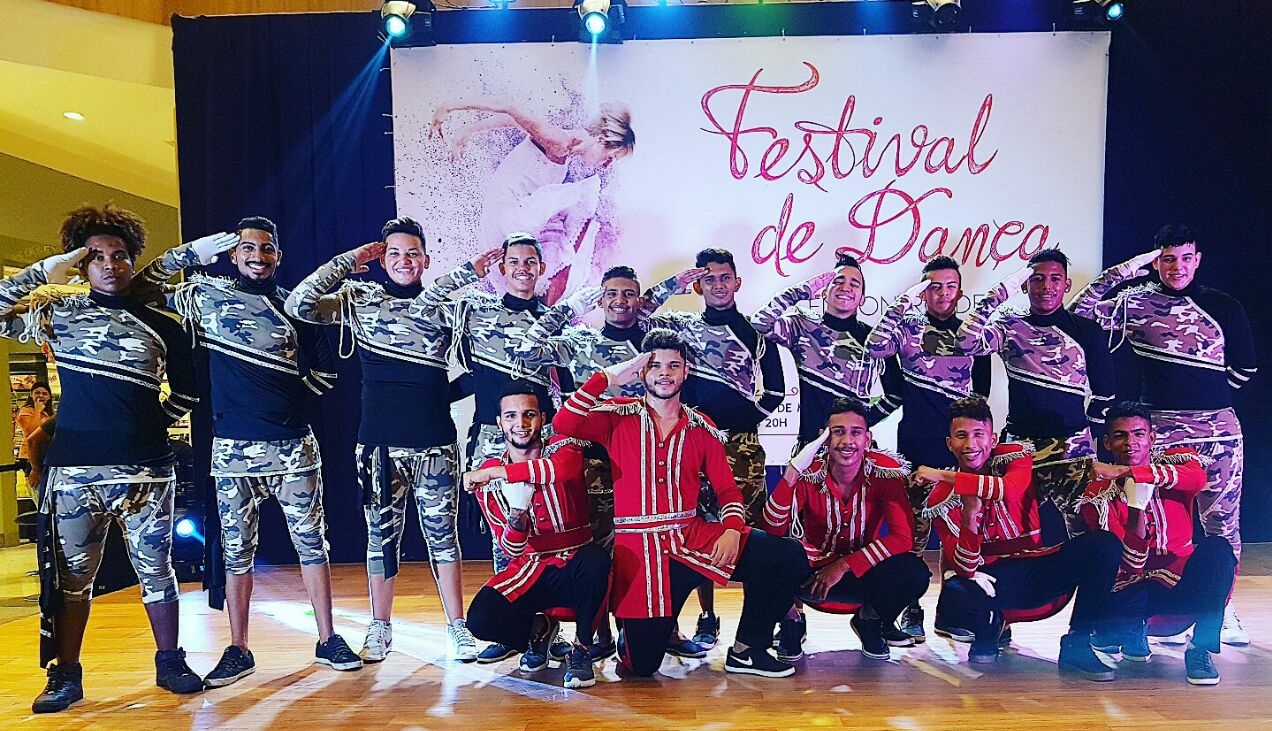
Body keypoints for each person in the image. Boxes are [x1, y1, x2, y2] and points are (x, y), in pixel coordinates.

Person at [138, 216, 360, 686]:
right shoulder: (205, 294)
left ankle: (327, 639)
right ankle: (238, 648)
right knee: (237, 552)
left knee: (312, 545)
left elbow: (326, 372)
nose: (258, 256)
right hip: (232, 449)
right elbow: (143, 289)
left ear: (278, 255)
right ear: (233, 254)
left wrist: (290, 405)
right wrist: (188, 254)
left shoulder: (296, 304)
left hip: (293, 447)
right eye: (248, 248)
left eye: (267, 248)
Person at [0, 204, 202, 712]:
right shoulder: (59, 314)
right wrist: (43, 272)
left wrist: (153, 422)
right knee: (71, 579)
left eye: (120, 255)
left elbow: (189, 391)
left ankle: (170, 661)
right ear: (81, 263)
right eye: (95, 257)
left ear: (134, 260)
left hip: (147, 469)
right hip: (74, 471)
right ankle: (65, 675)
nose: (110, 264)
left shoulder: (165, 324)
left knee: (158, 570)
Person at [553, 329, 810, 679]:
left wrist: (732, 530)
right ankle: (638, 631)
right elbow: (564, 422)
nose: (665, 373)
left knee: (786, 554)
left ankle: (747, 650)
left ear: (686, 372)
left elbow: (727, 490)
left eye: (674, 365)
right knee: (640, 668)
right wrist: (609, 377)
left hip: (692, 539)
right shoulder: (616, 416)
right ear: (641, 371)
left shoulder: (701, 428)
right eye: (655, 365)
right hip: (640, 553)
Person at [284, 217, 478, 662]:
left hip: (435, 444)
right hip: (378, 446)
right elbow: (299, 305)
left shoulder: (444, 307)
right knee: (381, 538)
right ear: (383, 258)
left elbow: (474, 369)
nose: (404, 261)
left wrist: (445, 394)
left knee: (444, 537)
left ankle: (458, 627)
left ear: (426, 259)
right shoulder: (360, 299)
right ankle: (380, 626)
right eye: (394, 253)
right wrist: (347, 261)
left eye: (412, 253)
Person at [1069, 224, 1256, 644]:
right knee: (1161, 521)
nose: (1178, 267)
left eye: (1186, 258)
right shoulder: (1135, 302)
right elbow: (1078, 316)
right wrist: (1122, 272)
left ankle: (1221, 608)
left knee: (1222, 524)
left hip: (1219, 431)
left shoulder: (1223, 305)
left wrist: (1206, 402)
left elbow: (1246, 367)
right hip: (1162, 431)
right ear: (1155, 262)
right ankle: (1164, 609)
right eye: (1168, 259)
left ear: (1198, 259)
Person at [510, 263, 706, 658]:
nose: (620, 301)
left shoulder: (655, 350)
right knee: (598, 551)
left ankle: (664, 628)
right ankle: (597, 632)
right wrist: (568, 309)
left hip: (648, 466)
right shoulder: (580, 341)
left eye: (629, 293)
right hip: (593, 465)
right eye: (611, 294)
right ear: (599, 300)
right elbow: (526, 349)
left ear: (640, 300)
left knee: (659, 549)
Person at [916, 397, 1121, 680]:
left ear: (993, 439)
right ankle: (989, 627)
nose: (970, 444)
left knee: (1103, 545)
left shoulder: (1015, 458)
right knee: (957, 591)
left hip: (1036, 571)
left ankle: (1078, 642)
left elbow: (1009, 489)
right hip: (992, 581)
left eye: (978, 434)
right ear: (949, 443)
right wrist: (969, 518)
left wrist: (943, 475)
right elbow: (965, 566)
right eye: (961, 436)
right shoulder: (941, 497)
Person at [646, 248, 787, 650]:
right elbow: (640, 313)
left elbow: (775, 389)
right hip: (688, 443)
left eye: (725, 277)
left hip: (741, 447)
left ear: (737, 282)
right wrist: (674, 284)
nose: (718, 285)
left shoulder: (755, 332)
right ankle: (706, 617)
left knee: (748, 534)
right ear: (698, 286)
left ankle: (754, 633)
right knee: (692, 528)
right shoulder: (683, 327)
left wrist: (743, 418)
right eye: (709, 279)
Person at [926, 249, 1116, 541]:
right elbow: (966, 342)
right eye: (1037, 279)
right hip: (1020, 448)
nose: (1046, 286)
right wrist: (997, 296)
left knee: (1088, 534)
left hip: (1072, 448)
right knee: (1014, 530)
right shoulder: (1009, 326)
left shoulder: (1087, 330)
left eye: (1055, 279)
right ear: (1025, 285)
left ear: (1066, 284)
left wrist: (1089, 442)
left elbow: (1105, 394)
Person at [864, 256, 991, 641]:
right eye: (933, 286)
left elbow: (981, 396)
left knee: (959, 531)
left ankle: (952, 610)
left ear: (960, 291)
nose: (942, 293)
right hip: (916, 445)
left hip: (961, 452)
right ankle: (911, 609)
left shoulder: (974, 336)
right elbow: (880, 359)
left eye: (950, 286)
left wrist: (971, 445)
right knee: (914, 535)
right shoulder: (904, 331)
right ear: (922, 291)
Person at [1075, 401, 1236, 685]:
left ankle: (1200, 649)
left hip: (1179, 584)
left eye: (1138, 434)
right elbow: (1130, 562)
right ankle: (1127, 632)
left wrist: (1131, 474)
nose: (1130, 443)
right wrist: (1135, 507)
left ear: (1151, 437)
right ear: (1107, 443)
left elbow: (1197, 478)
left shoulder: (1175, 465)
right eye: (1120, 436)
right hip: (1132, 590)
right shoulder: (1098, 495)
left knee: (1219, 551)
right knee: (1115, 609)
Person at [462, 383, 611, 689]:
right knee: (479, 619)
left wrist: (497, 474)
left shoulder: (562, 447)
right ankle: (539, 630)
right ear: (500, 422)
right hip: (530, 567)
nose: (521, 423)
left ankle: (582, 649)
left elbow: (560, 471)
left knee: (596, 560)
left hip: (576, 559)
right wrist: (516, 517)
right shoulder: (489, 473)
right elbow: (510, 548)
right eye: (511, 416)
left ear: (542, 418)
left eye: (529, 414)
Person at [758, 398, 930, 662]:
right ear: (824, 438)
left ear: (867, 439)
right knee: (766, 553)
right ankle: (792, 621)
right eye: (838, 432)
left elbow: (903, 538)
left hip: (861, 572)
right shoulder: (808, 471)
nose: (847, 441)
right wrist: (793, 471)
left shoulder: (886, 473)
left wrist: (843, 565)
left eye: (856, 432)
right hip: (812, 573)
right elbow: (771, 528)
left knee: (914, 572)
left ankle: (870, 620)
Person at [430, 99, 635, 303]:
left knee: (574, 206)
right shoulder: (559, 141)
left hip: (511, 214)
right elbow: (510, 106)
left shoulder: (561, 141)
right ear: (601, 139)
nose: (607, 165)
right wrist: (448, 107)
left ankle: (539, 300)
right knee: (583, 195)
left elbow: (513, 120)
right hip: (509, 215)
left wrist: (468, 130)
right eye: (611, 157)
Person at [753, 252, 902, 447]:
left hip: (853, 449)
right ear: (824, 292)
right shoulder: (803, 326)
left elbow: (896, 394)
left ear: (862, 299)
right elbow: (760, 322)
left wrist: (860, 424)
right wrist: (800, 292)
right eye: (838, 281)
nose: (845, 287)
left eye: (854, 284)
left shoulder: (874, 340)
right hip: (809, 446)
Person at [14, 381, 54, 479]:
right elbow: (32, 432)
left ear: (49, 397)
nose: (41, 396)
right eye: (37, 392)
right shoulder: (25, 411)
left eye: (45, 393)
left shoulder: (49, 413)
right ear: (31, 395)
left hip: (45, 456)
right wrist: (37, 410)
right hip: (30, 458)